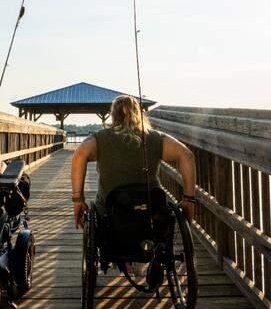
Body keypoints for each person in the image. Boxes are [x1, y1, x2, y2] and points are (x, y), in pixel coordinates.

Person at [70, 94, 197, 231]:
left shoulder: (100, 138)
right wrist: (189, 199)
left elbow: (78, 156)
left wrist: (78, 200)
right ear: (138, 113)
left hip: (110, 213)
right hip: (152, 211)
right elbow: (187, 156)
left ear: (113, 115)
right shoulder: (156, 138)